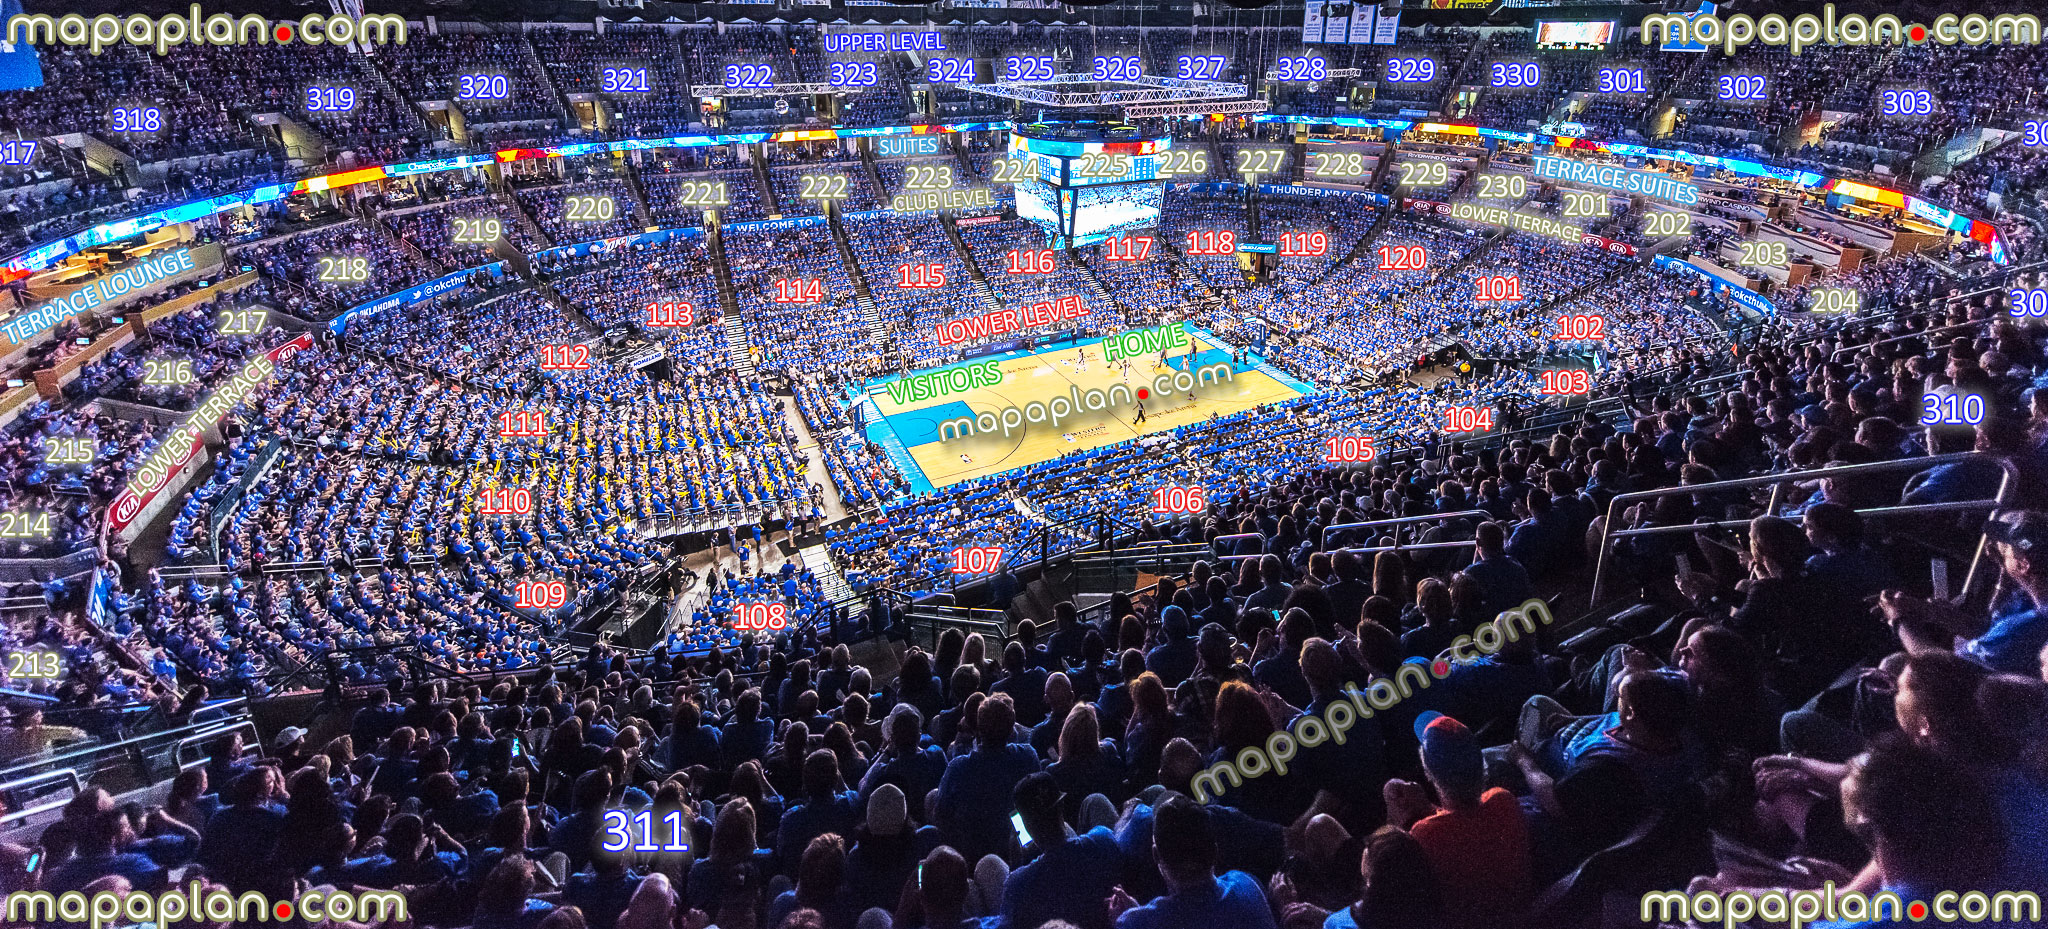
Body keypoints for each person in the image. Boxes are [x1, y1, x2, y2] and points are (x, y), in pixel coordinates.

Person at [1383, 714, 1530, 929]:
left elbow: (1384, 874)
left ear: (1428, 774)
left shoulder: (1423, 835)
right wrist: (1428, 808)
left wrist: (1394, 819)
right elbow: (1467, 825)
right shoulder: (1503, 799)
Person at [1105, 793, 1275, 929]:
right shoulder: (1247, 885)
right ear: (1215, 851)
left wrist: (1128, 919)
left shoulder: (1136, 922)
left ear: (1155, 854)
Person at [1000, 773, 1125, 929]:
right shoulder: (1103, 840)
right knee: (1096, 800)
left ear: (1024, 825)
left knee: (989, 862)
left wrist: (1015, 863)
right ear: (1062, 806)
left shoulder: (1017, 884)